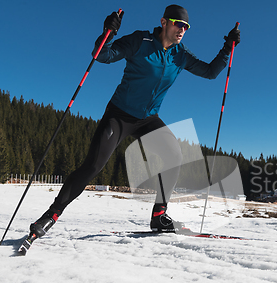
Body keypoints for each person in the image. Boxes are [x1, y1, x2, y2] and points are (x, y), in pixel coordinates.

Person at [27, 4, 240, 238]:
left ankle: (159, 215)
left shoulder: (181, 55)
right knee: (93, 166)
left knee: (174, 155)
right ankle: (51, 214)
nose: (182, 30)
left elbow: (210, 72)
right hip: (119, 115)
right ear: (164, 22)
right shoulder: (141, 41)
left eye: (186, 27)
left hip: (148, 119)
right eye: (178, 24)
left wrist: (226, 49)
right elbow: (102, 55)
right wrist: (108, 33)